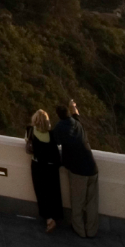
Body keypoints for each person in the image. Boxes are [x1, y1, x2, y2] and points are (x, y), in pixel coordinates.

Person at [53, 99, 100, 237]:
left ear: (58, 115)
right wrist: (73, 106)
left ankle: (79, 230)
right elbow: (76, 114)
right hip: (92, 167)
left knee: (77, 202)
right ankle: (91, 231)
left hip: (78, 170)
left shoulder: (60, 127)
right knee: (92, 202)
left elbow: (54, 142)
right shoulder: (77, 123)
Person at [26, 109, 64, 232]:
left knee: (41, 193)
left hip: (38, 166)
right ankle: (55, 216)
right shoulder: (52, 134)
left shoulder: (30, 131)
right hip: (51, 167)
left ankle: (48, 219)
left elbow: (28, 148)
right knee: (53, 192)